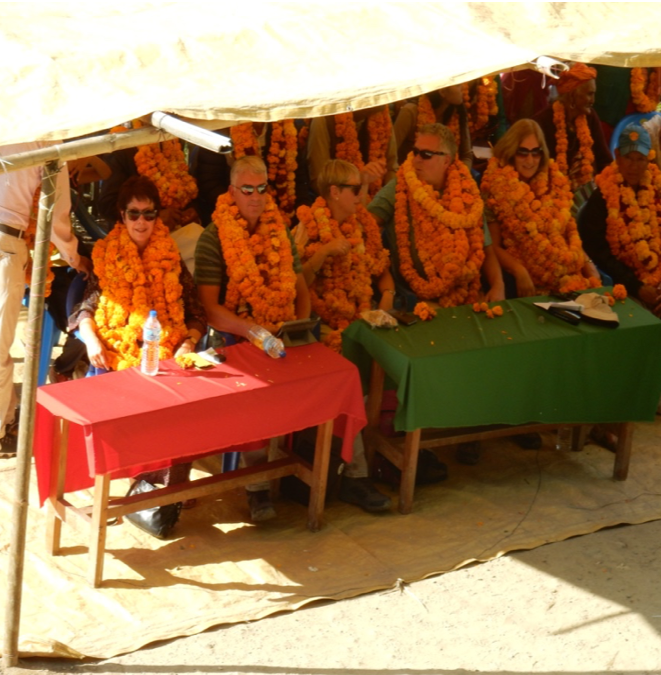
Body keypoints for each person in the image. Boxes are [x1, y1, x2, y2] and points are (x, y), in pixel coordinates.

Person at [368, 123, 504, 467]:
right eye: (415, 152)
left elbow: (484, 244)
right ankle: (414, 445)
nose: (417, 159)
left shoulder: (466, 190)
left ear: (449, 160)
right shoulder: (400, 185)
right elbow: (365, 226)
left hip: (463, 297)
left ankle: (473, 428)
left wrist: (498, 284)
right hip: (411, 303)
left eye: (427, 154)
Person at [68, 175, 206, 508]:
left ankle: (169, 487)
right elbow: (85, 305)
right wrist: (90, 340)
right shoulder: (107, 255)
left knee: (183, 396)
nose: (142, 222)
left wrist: (189, 340)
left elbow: (196, 311)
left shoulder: (170, 255)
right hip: (117, 352)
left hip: (167, 350)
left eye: (149, 213)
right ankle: (138, 479)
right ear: (121, 215)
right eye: (134, 214)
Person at [194, 155, 311, 521]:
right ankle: (258, 487)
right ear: (232, 191)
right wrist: (254, 331)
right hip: (235, 337)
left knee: (327, 376)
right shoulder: (213, 238)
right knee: (255, 395)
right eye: (248, 190)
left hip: (281, 331)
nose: (256, 197)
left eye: (262, 189)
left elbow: (300, 285)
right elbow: (211, 310)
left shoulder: (279, 228)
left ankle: (322, 475)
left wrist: (299, 322)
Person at [579, 124, 661, 417]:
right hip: (622, 286)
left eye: (642, 159)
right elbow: (598, 255)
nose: (635, 166)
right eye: (629, 158)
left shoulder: (658, 191)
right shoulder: (602, 199)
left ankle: (653, 386)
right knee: (640, 326)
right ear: (617, 156)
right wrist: (639, 288)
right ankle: (626, 390)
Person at [294, 159, 395, 511]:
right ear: (334, 192)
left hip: (362, 319)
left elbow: (383, 275)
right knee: (347, 376)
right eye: (356, 189)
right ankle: (356, 475)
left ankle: (389, 460)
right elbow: (294, 287)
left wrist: (385, 300)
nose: (363, 195)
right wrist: (322, 254)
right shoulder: (306, 228)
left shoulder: (361, 224)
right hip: (321, 328)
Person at [0, 143, 91, 456]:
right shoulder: (45, 143)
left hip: (6, 241)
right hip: (2, 244)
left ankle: (5, 420)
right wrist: (76, 258)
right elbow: (57, 216)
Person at [482, 119, 601, 298]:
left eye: (535, 153)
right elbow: (493, 246)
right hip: (527, 273)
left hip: (566, 267)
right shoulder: (495, 185)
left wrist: (588, 263)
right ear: (511, 152)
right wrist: (519, 270)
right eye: (523, 152)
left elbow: (567, 232)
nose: (530, 160)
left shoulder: (555, 180)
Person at [533, 63, 612, 202]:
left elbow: (604, 160)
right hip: (553, 199)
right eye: (589, 94)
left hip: (588, 195)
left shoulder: (590, 117)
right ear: (573, 95)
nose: (593, 100)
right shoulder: (543, 121)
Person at [307, 106, 397, 201]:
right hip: (338, 208)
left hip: (378, 201)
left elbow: (391, 168)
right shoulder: (324, 118)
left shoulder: (381, 112)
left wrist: (384, 203)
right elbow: (319, 182)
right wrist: (358, 180)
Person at [394, 87, 473, 168]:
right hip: (409, 174)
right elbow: (391, 156)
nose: (463, 88)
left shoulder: (459, 114)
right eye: (458, 84)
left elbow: (466, 155)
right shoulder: (411, 111)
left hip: (447, 176)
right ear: (442, 92)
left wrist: (460, 175)